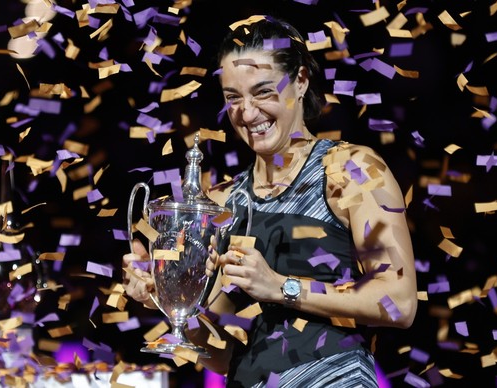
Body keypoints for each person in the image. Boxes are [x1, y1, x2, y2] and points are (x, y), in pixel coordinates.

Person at [123, 15, 417, 387]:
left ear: (300, 81)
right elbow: (224, 354)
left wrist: (281, 286)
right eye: (233, 98)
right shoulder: (223, 202)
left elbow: (400, 301)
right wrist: (164, 300)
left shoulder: (350, 169)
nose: (247, 113)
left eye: (263, 92)